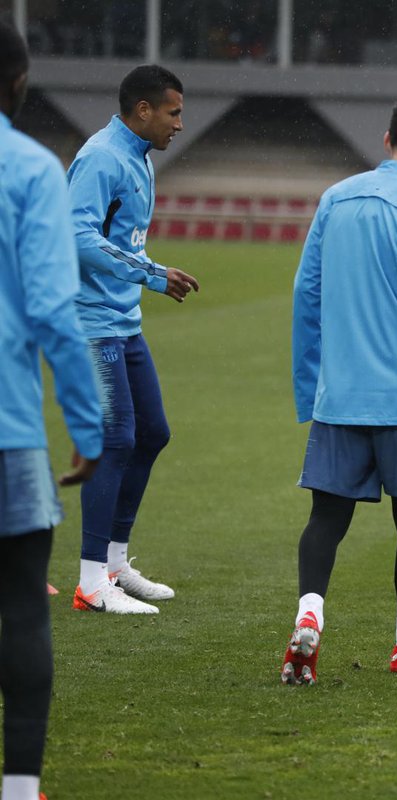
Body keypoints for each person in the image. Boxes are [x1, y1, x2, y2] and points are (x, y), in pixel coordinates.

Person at [283, 96, 397, 684]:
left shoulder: (337, 198)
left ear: (387, 139)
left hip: (340, 396)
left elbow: (305, 294)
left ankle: (310, 613)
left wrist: (311, 385)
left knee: (326, 517)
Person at [0, 22, 103, 800]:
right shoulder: (29, 168)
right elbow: (51, 311)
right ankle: (20, 784)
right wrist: (88, 425)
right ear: (19, 81)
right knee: (21, 609)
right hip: (8, 432)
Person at [66, 64, 200, 615]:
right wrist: (151, 274)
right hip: (89, 321)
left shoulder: (138, 158)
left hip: (122, 320)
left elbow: (123, 239)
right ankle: (90, 580)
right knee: (116, 438)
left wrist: (151, 271)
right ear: (142, 110)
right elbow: (76, 235)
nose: (179, 125)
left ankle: (116, 564)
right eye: (173, 113)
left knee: (152, 433)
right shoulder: (102, 157)